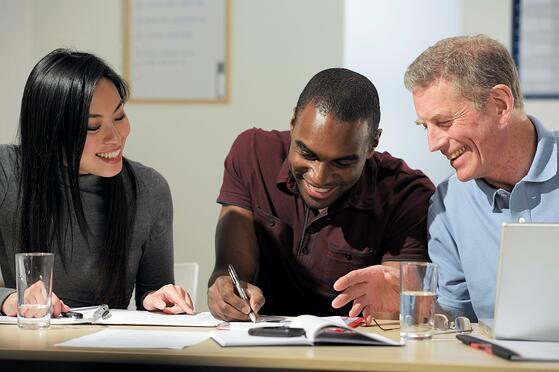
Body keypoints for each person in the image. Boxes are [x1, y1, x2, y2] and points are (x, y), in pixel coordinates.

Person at [207, 68, 435, 321]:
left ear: (372, 143)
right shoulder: (253, 155)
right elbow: (230, 274)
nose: (319, 177)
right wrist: (224, 292)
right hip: (257, 345)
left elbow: (394, 316)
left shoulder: (407, 195)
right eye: (307, 155)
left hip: (353, 354)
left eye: (342, 163)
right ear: (293, 123)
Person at [0, 49, 193, 317]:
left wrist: (158, 298)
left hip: (106, 352)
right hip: (29, 348)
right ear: (50, 130)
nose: (115, 137)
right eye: (93, 126)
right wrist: (10, 299)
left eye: (119, 117)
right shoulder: (7, 172)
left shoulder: (149, 188)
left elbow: (152, 291)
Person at [404, 35, 559, 321]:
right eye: (424, 126)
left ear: (500, 105)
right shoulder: (448, 204)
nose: (433, 143)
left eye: (444, 122)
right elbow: (456, 320)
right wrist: (412, 307)